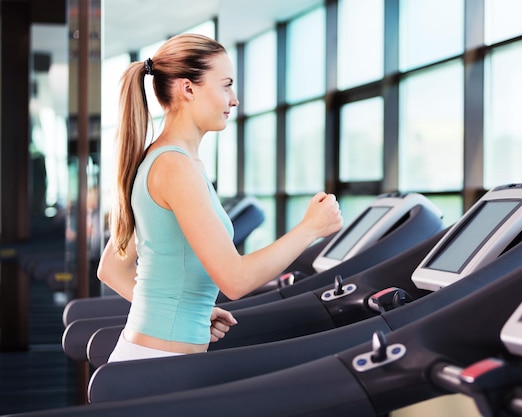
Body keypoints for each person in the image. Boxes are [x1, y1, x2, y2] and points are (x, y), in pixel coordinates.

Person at [97, 33, 343, 363]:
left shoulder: (166, 160)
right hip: (156, 361)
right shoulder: (174, 167)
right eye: (226, 85)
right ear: (188, 89)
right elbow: (236, 281)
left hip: (153, 354)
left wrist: (189, 308)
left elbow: (111, 269)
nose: (234, 99)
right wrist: (311, 229)